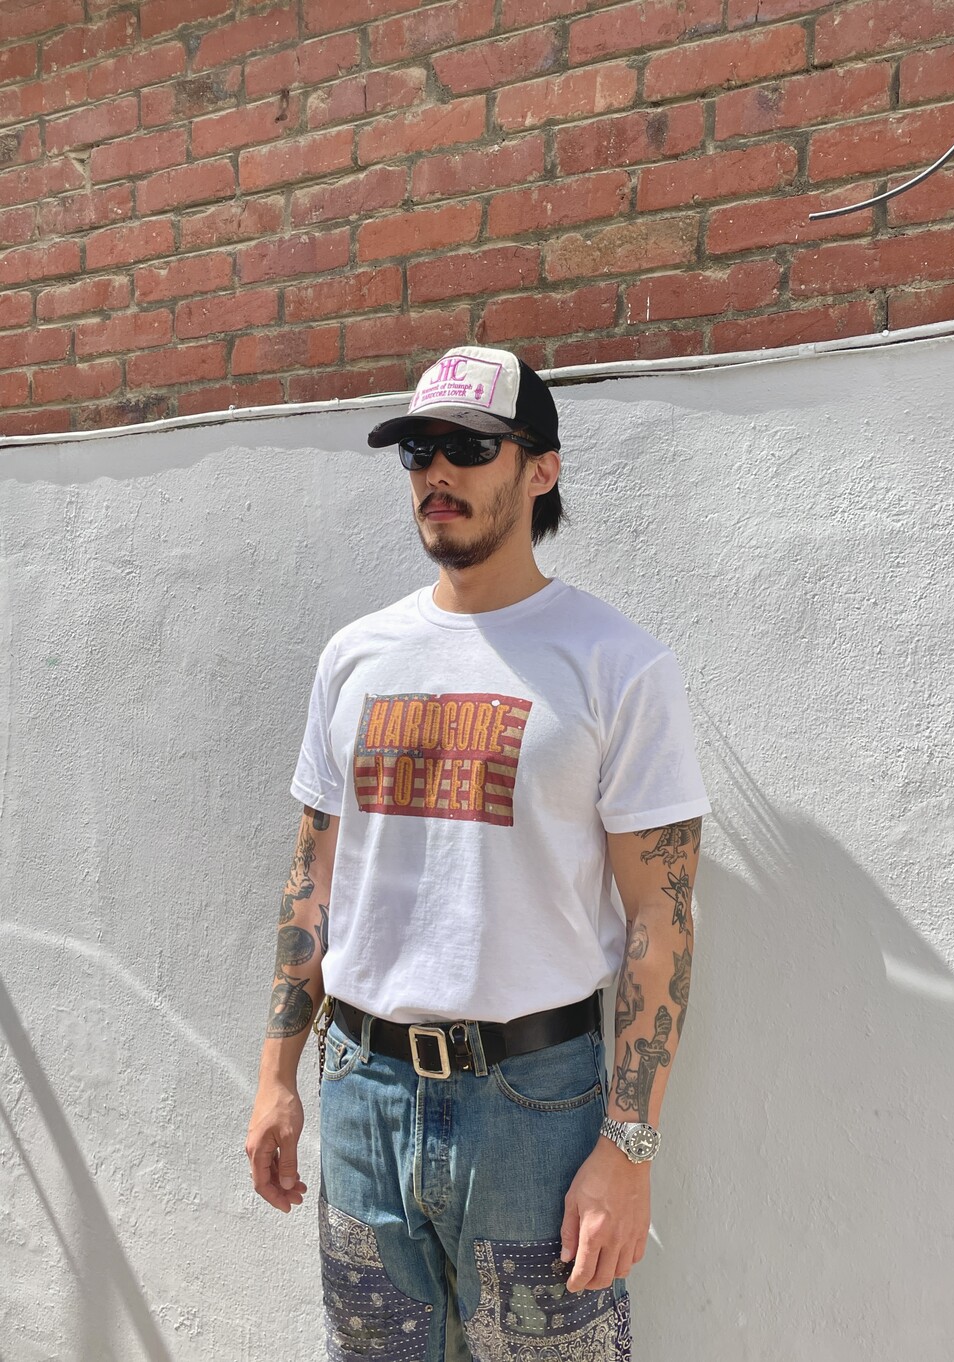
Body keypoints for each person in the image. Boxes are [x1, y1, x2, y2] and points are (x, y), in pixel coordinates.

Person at [245, 345, 710, 1362]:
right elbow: (312, 878)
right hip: (362, 1092)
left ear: (541, 468)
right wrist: (277, 1076)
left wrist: (629, 1149)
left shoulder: (617, 665)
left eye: (468, 447)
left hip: (535, 1104)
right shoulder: (355, 658)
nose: (436, 472)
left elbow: (661, 918)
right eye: (417, 450)